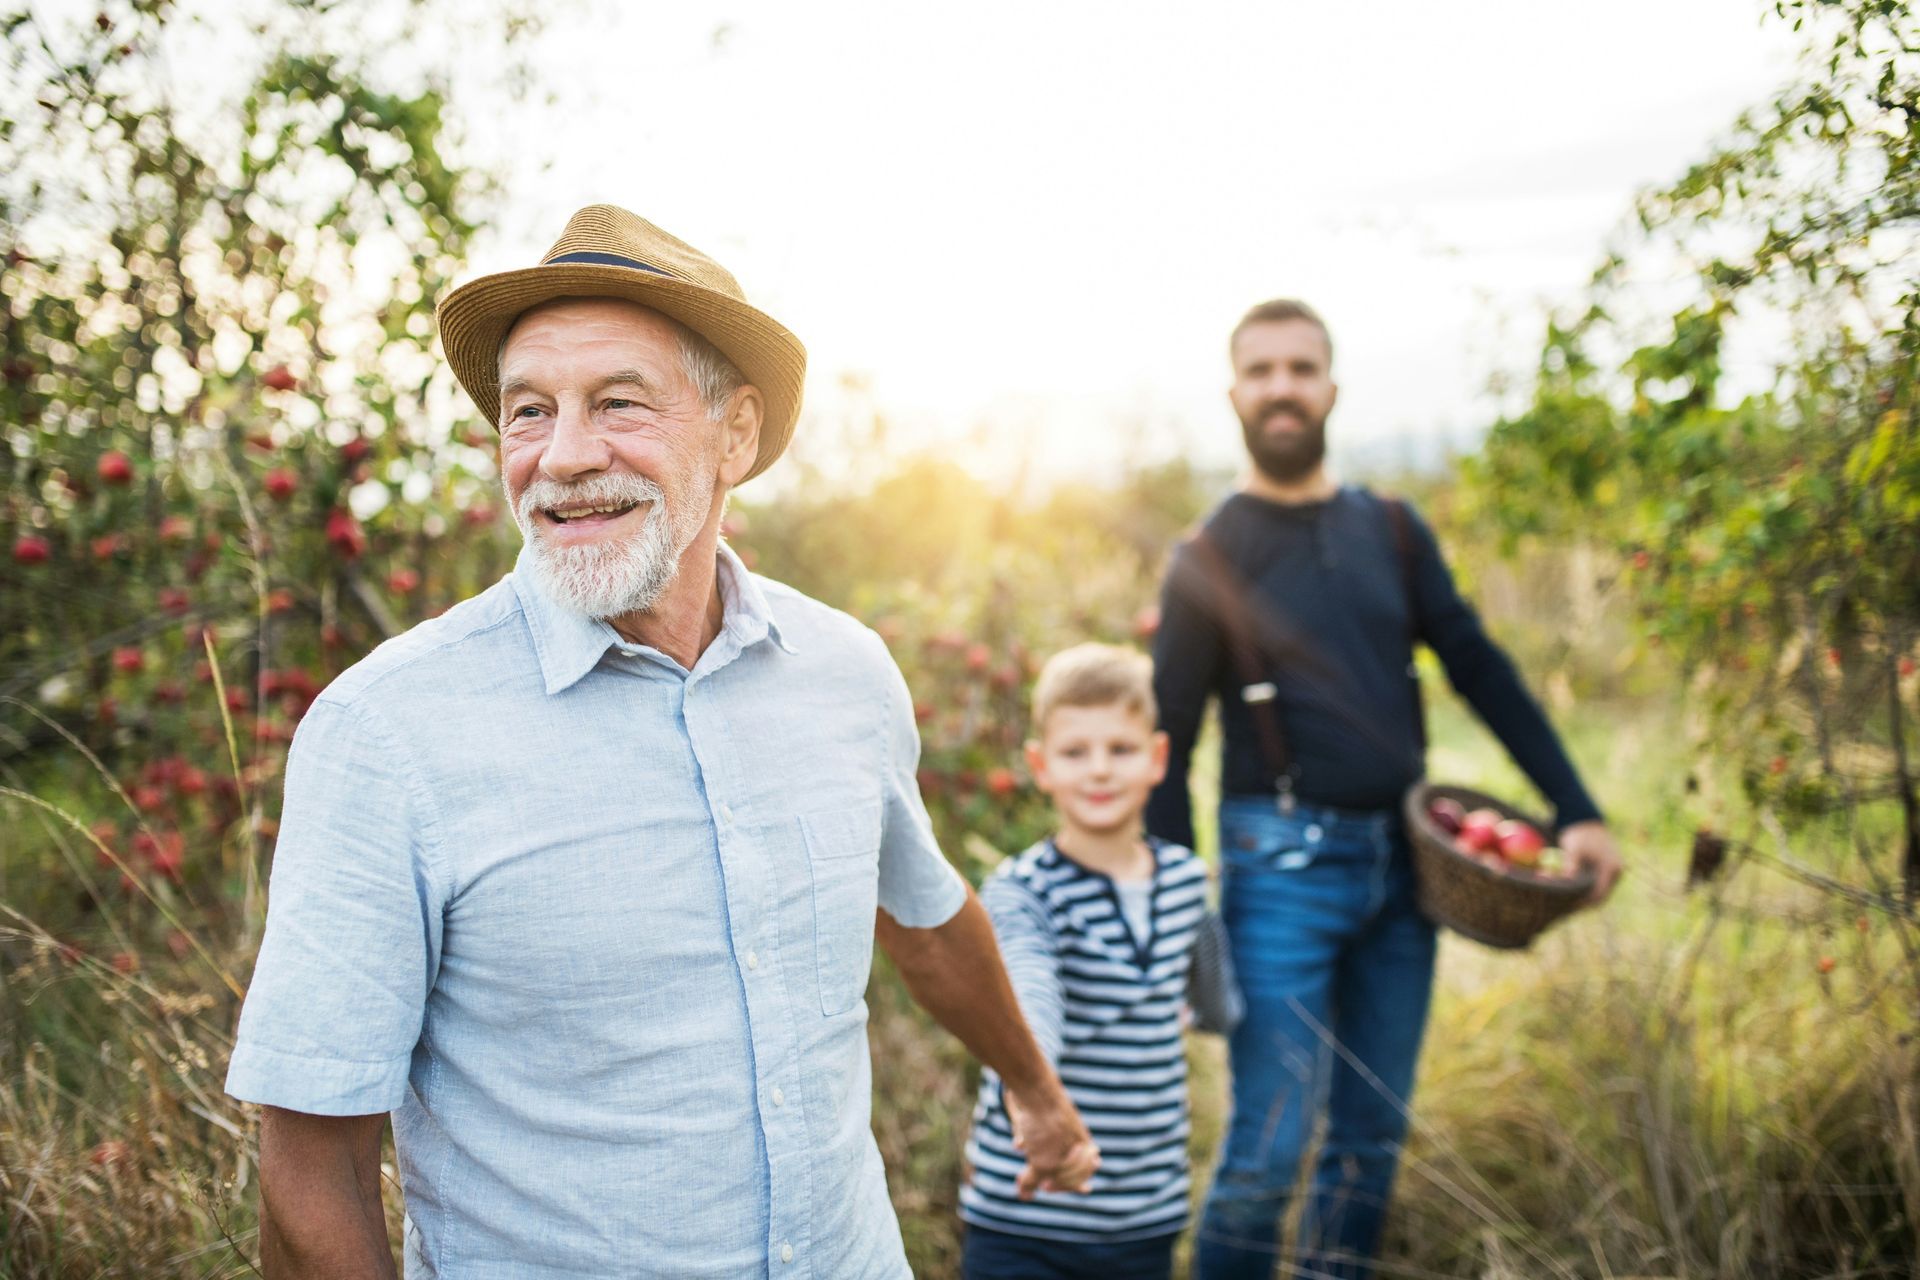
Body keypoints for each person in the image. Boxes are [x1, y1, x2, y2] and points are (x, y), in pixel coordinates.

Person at [224, 204, 1097, 1279]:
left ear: (736, 432)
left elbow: (924, 918)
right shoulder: (387, 735)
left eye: (619, 403)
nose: (564, 457)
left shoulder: (844, 671)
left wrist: (1038, 1092)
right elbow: (312, 1161)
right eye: (529, 410)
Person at [1145, 299, 1625, 1279]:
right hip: (1277, 872)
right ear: (1234, 392)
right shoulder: (1206, 556)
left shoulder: (1395, 531)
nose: (1283, 386)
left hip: (1409, 878)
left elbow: (1480, 669)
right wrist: (1167, 897)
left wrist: (1575, 806)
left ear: (1332, 387)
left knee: (1369, 1145)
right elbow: (1168, 737)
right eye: (1263, 369)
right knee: (1269, 1149)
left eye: (1302, 368)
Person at [959, 643, 1243, 1280]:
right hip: (1026, 1213)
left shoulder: (1184, 882)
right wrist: (1035, 1101)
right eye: (1075, 752)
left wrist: (1195, 1012)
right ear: (1041, 766)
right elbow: (1032, 998)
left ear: (1158, 758)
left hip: (1145, 1216)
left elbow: (1219, 1002)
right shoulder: (1023, 890)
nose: (1099, 771)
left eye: (1120, 749)